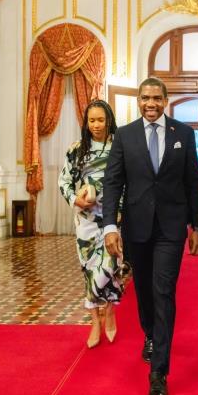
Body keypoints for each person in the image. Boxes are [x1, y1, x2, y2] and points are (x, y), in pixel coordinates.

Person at [103, 77, 198, 395]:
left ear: (166, 99)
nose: (151, 103)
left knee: (163, 291)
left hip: (171, 229)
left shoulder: (183, 134)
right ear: (138, 100)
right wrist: (109, 227)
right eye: (145, 98)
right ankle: (150, 332)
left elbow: (192, 181)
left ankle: (159, 372)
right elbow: (113, 182)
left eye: (156, 98)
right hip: (137, 227)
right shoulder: (125, 134)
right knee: (144, 290)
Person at [58, 99, 122, 349]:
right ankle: (95, 320)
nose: (96, 125)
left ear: (109, 120)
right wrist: (76, 200)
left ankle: (111, 312)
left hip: (113, 218)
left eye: (101, 120)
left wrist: (120, 210)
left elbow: (127, 181)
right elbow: (64, 181)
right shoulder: (78, 149)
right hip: (86, 220)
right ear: (86, 122)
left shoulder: (119, 146)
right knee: (89, 269)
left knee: (110, 266)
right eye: (91, 120)